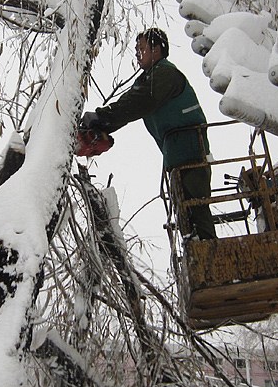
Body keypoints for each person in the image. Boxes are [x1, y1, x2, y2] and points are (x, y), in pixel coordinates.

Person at [81, 28, 216, 240]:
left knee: (196, 210)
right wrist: (100, 128)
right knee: (186, 217)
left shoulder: (165, 74)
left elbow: (138, 103)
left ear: (157, 49)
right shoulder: (147, 80)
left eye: (141, 48)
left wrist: (102, 118)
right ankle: (199, 253)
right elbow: (128, 106)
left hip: (192, 152)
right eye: (136, 49)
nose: (137, 53)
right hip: (175, 158)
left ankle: (211, 256)